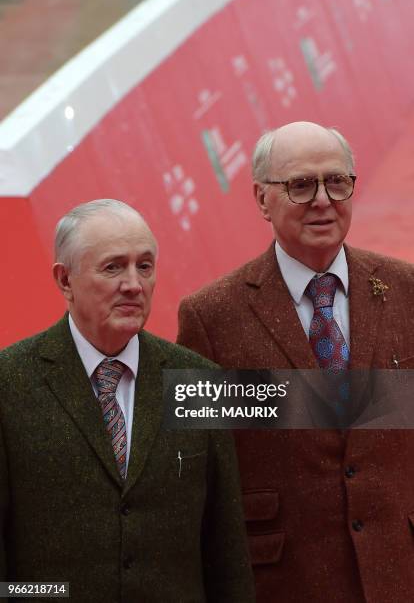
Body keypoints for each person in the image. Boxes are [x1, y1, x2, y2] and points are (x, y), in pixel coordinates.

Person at [177, 121, 414, 602]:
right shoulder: (210, 317)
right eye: (301, 185)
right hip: (283, 580)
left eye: (337, 181)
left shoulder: (407, 289)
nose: (323, 199)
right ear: (262, 199)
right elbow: (195, 472)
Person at [0, 199, 255, 603]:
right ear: (65, 280)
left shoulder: (198, 379)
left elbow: (226, 550)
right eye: (113, 267)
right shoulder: (8, 383)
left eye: (145, 266)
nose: (134, 284)